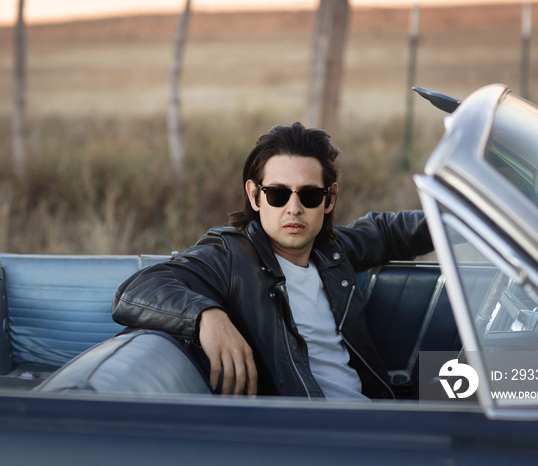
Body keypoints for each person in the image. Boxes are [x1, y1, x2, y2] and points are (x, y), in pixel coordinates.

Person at [112, 122, 433, 399]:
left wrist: (467, 214)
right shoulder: (231, 256)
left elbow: (389, 232)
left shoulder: (331, 251)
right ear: (255, 195)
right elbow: (138, 289)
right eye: (278, 194)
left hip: (375, 417)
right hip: (313, 434)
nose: (294, 208)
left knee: (473, 380)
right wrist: (207, 317)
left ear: (329, 199)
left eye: (309, 195)